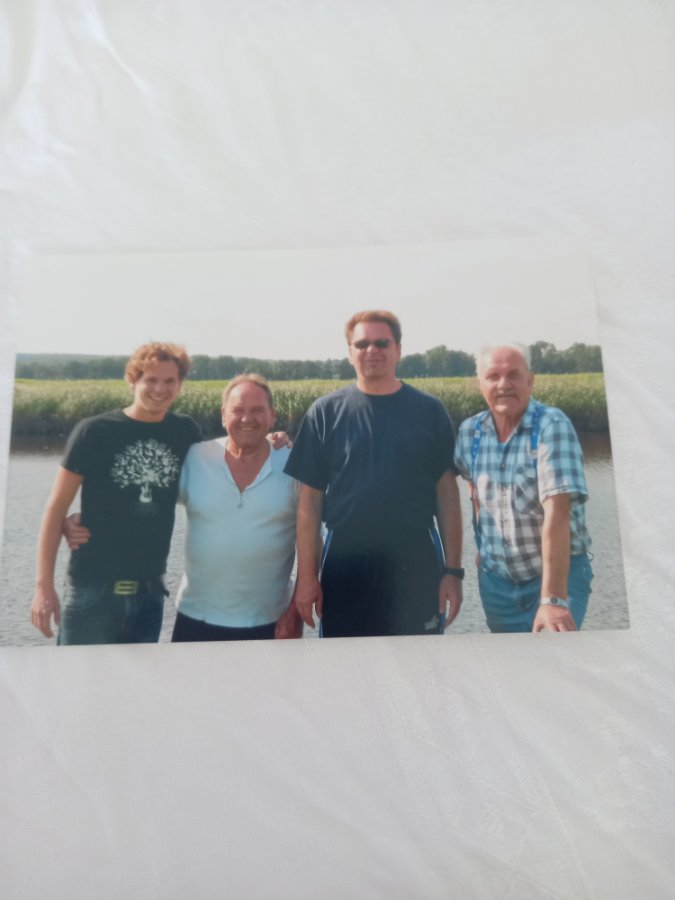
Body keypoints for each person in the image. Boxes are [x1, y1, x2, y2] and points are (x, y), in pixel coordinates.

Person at [284, 310, 463, 638]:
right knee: (344, 662)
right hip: (345, 560)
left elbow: (448, 495)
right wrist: (307, 577)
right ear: (349, 352)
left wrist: (453, 571)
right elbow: (309, 503)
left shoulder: (429, 411)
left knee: (420, 662)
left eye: (382, 343)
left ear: (398, 350)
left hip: (416, 559)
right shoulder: (324, 412)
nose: (372, 351)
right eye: (362, 344)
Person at [30, 342, 201, 644]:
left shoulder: (184, 430)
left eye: (169, 381)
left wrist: (273, 441)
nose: (160, 389)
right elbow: (55, 508)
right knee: (77, 675)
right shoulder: (95, 431)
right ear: (132, 380)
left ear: (180, 384)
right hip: (92, 594)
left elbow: (227, 460)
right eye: (151, 379)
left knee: (137, 678)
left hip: (150, 595)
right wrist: (44, 588)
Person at [454, 344, 593, 633]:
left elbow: (557, 512)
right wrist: (483, 545)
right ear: (480, 383)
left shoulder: (552, 425)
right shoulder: (470, 432)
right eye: (493, 376)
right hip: (497, 587)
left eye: (514, 375)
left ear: (530, 380)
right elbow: (472, 486)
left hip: (557, 579)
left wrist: (552, 599)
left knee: (555, 658)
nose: (503, 384)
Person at [170, 374, 302, 642]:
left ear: (272, 416)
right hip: (195, 617)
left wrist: (295, 613)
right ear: (223, 415)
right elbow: (146, 507)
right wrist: (87, 518)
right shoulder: (195, 458)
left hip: (272, 621)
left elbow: (313, 545)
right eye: (238, 410)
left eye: (257, 410)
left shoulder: (295, 464)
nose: (247, 418)